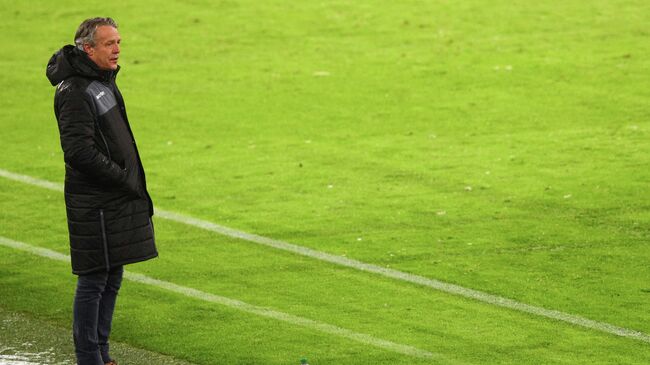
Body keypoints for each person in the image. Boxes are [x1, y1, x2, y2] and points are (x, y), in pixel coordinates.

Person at [46, 17, 158, 365]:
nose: (118, 49)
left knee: (111, 273)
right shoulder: (75, 91)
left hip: (111, 198)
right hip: (94, 201)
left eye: (119, 42)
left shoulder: (101, 81)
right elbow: (78, 151)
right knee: (94, 279)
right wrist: (122, 177)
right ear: (87, 48)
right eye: (109, 44)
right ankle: (89, 357)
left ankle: (102, 353)